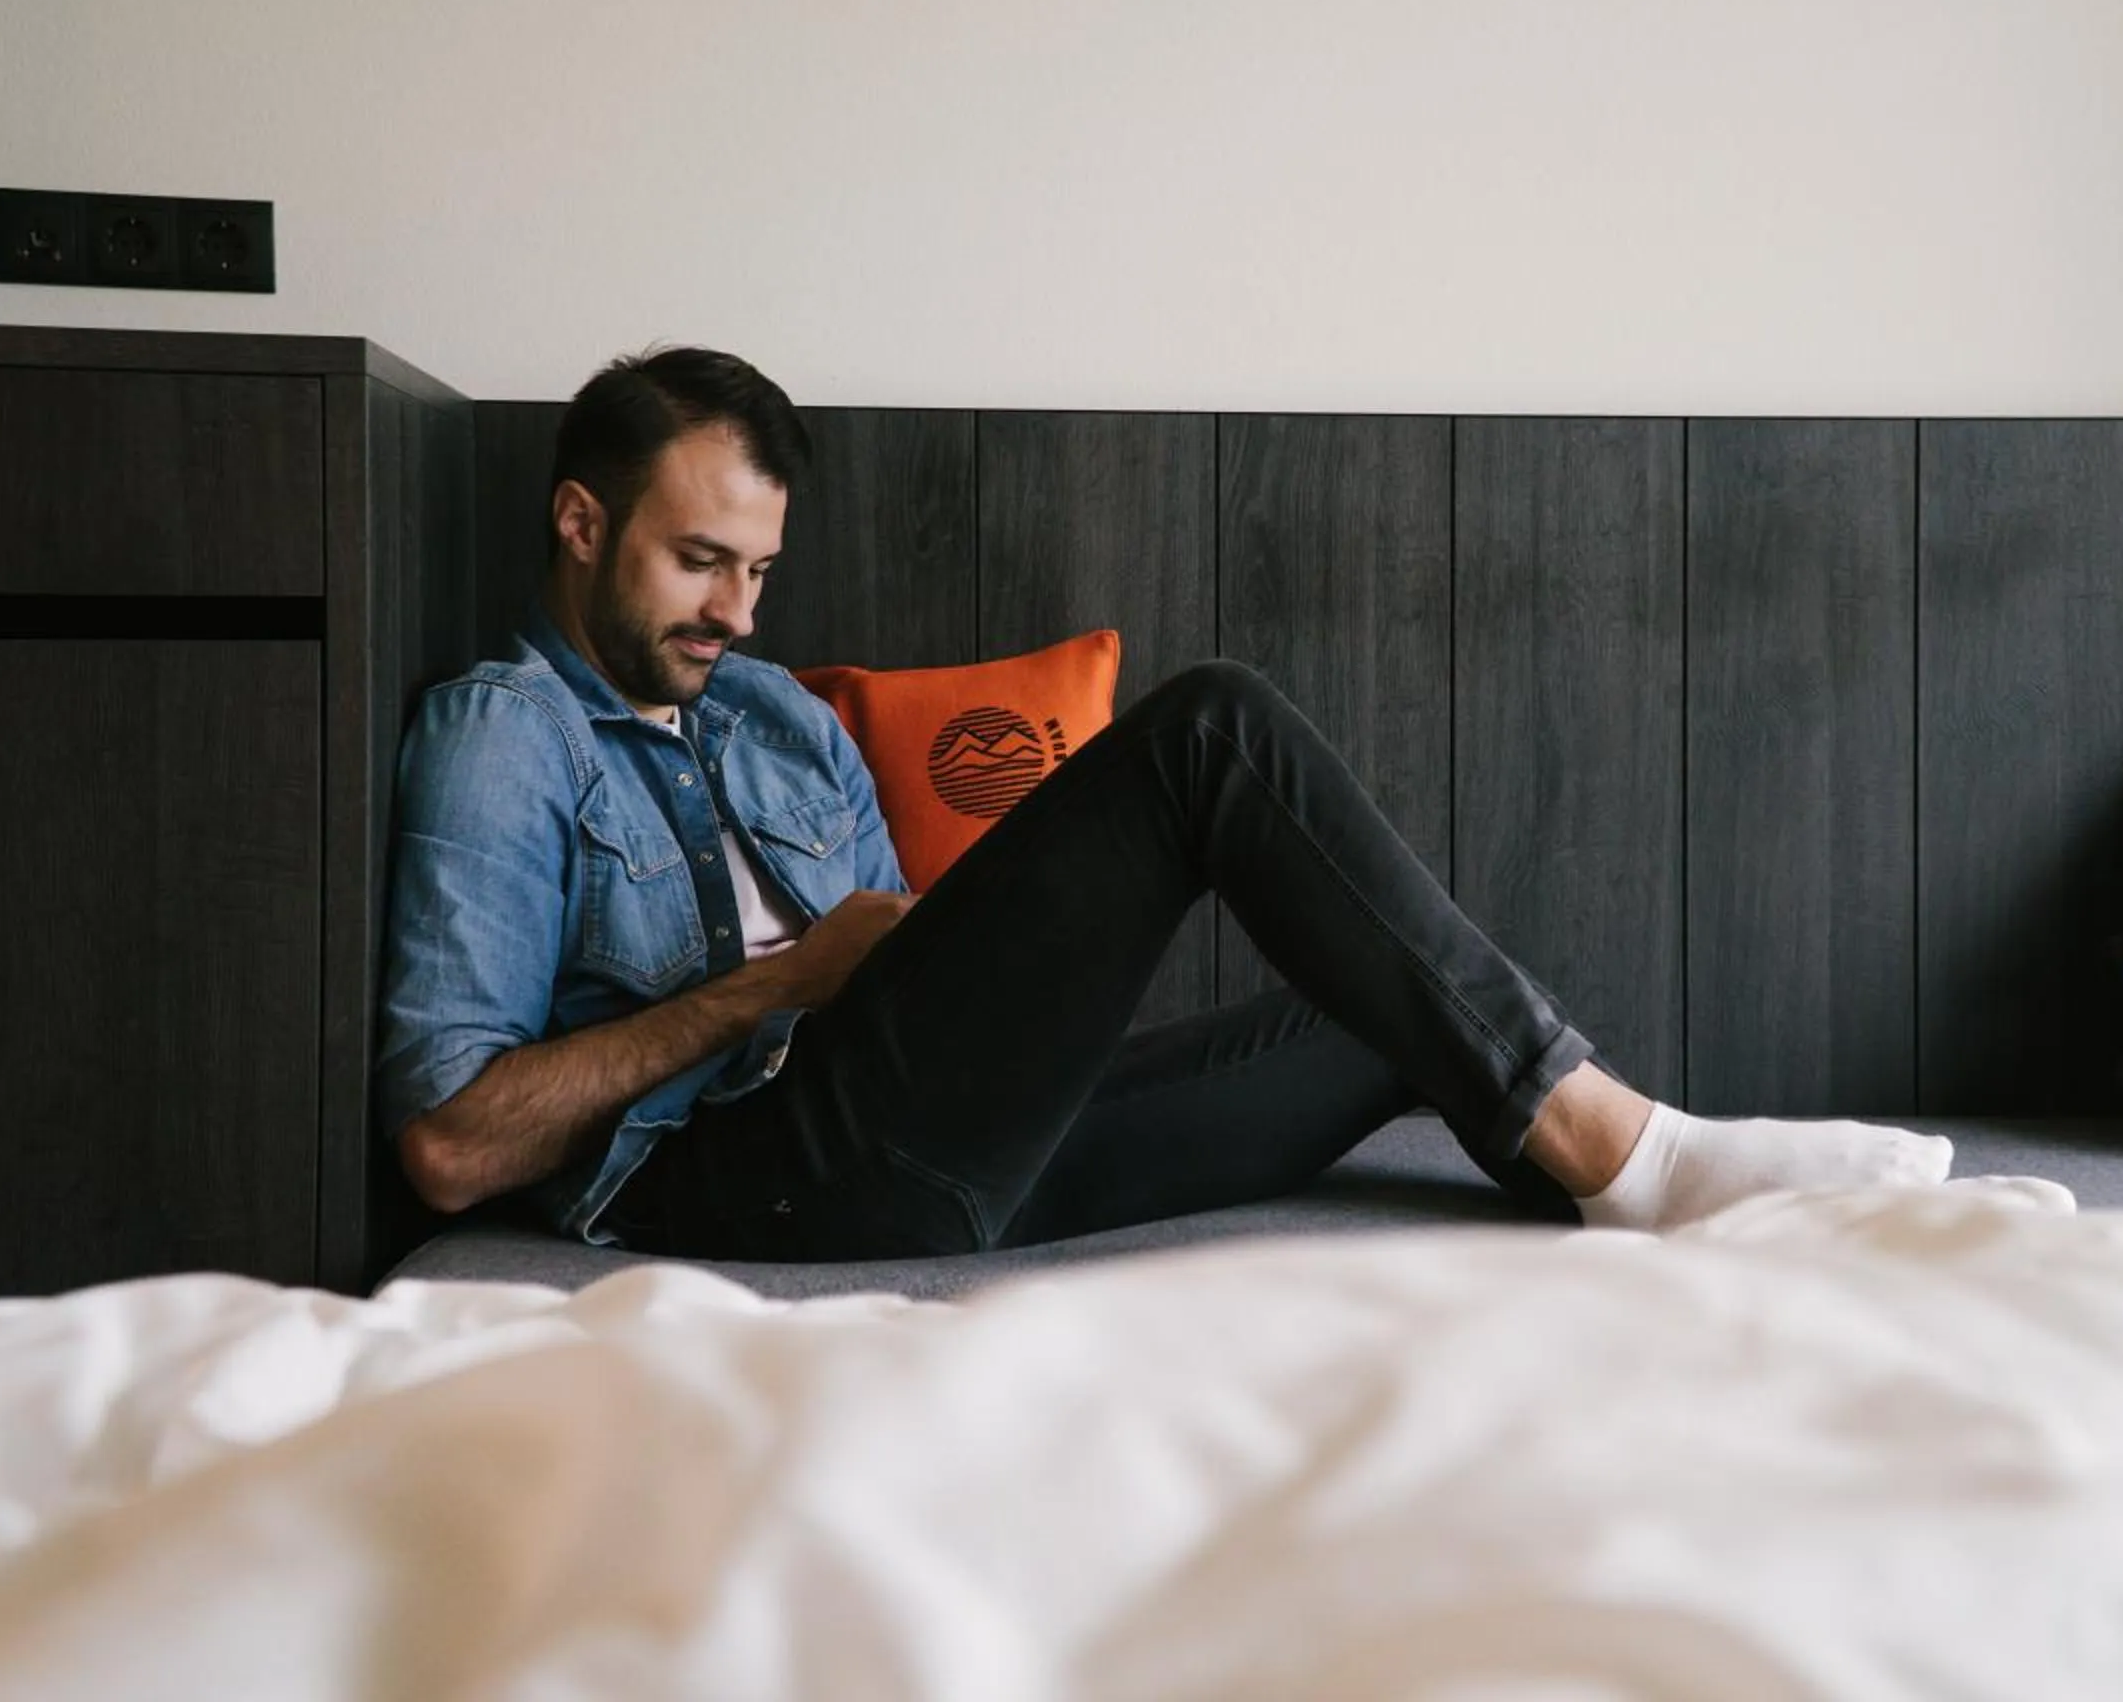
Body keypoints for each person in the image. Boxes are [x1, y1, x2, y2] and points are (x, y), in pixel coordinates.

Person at [377, 346, 1955, 1260]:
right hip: (740, 1169)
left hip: (933, 1133)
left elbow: (907, 964)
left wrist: (922, 974)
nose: (735, 610)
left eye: (759, 570)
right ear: (580, 523)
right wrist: (774, 989)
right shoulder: (503, 734)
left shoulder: (778, 716)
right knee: (1213, 733)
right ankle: (1654, 1165)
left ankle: (1656, 1200)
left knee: (1388, 1014)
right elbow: (448, 1148)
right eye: (697, 561)